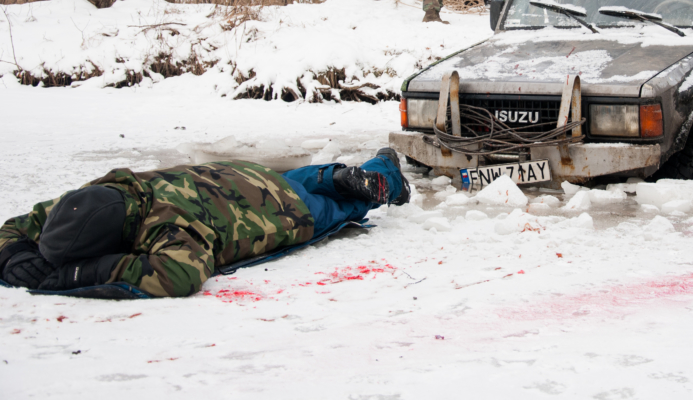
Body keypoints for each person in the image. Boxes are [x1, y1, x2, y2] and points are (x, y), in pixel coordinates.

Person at [0, 149, 410, 298]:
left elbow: (179, 274)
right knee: (310, 179)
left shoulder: (167, 224)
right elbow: (16, 227)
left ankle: (385, 173)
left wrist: (72, 275)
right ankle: (333, 175)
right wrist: (15, 252)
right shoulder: (100, 194)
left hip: (283, 213)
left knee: (352, 203)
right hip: (242, 177)